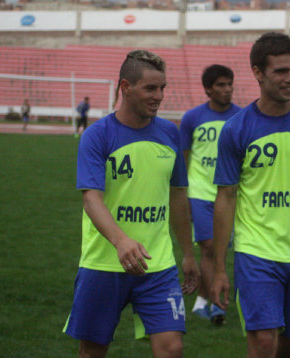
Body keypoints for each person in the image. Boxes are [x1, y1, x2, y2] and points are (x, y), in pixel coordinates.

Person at [63, 50, 200, 358]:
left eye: (162, 87)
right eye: (150, 88)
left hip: (158, 264)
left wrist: (188, 253)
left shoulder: (169, 134)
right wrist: (121, 241)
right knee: (92, 352)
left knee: (172, 348)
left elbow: (178, 195)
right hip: (104, 263)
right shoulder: (97, 136)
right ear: (126, 87)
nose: (159, 96)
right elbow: (91, 199)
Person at [211, 32, 290, 358]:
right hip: (256, 252)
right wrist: (220, 267)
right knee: (264, 341)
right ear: (258, 72)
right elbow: (225, 197)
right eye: (281, 71)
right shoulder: (236, 130)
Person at [179, 64, 241, 325]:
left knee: (222, 250)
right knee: (207, 248)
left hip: (230, 194)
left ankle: (205, 300)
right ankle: (218, 305)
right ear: (208, 89)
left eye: (229, 84)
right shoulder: (192, 118)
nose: (227, 90)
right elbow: (182, 158)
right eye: (220, 85)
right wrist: (183, 197)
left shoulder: (242, 117)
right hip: (200, 192)